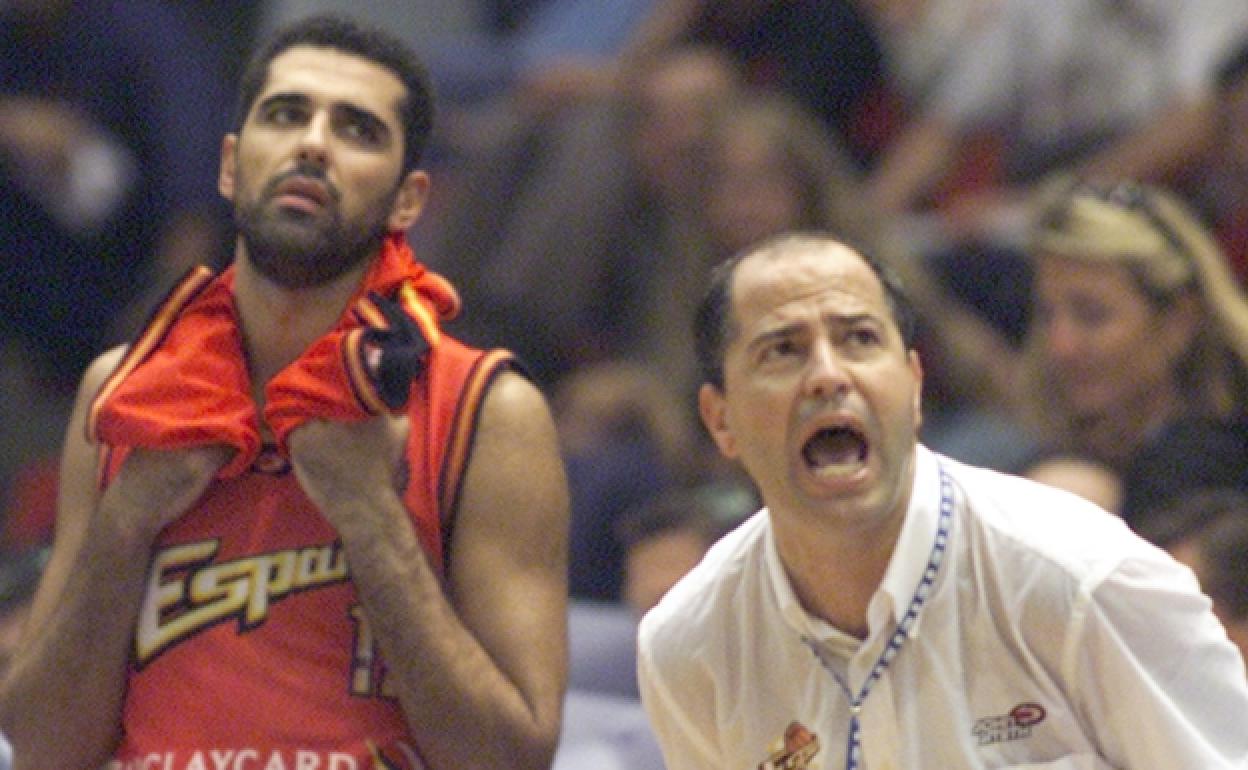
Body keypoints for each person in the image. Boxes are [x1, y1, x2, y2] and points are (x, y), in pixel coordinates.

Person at [0, 15, 569, 770]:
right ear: (232, 165)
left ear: (407, 200)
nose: (313, 143)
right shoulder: (122, 390)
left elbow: (511, 760)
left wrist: (371, 515)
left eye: (358, 130)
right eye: (286, 114)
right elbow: (41, 749)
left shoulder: (485, 407)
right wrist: (127, 518)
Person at [636, 233, 1248, 769]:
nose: (828, 375)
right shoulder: (690, 644)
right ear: (721, 421)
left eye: (859, 338)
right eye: (783, 351)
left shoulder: (1081, 579)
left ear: (914, 386)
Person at [1018, 178, 1248, 474]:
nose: (1061, 346)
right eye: (1048, 315)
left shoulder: (1225, 479)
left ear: (1179, 322)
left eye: (1092, 315)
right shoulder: (1047, 462)